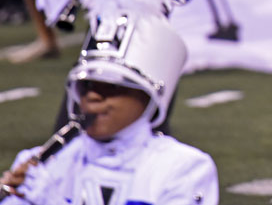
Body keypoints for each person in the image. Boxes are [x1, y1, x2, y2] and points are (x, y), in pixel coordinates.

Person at [0, 15, 219, 204]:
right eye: (87, 85)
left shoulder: (183, 168)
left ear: (148, 97)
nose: (93, 96)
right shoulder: (43, 166)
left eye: (112, 87)